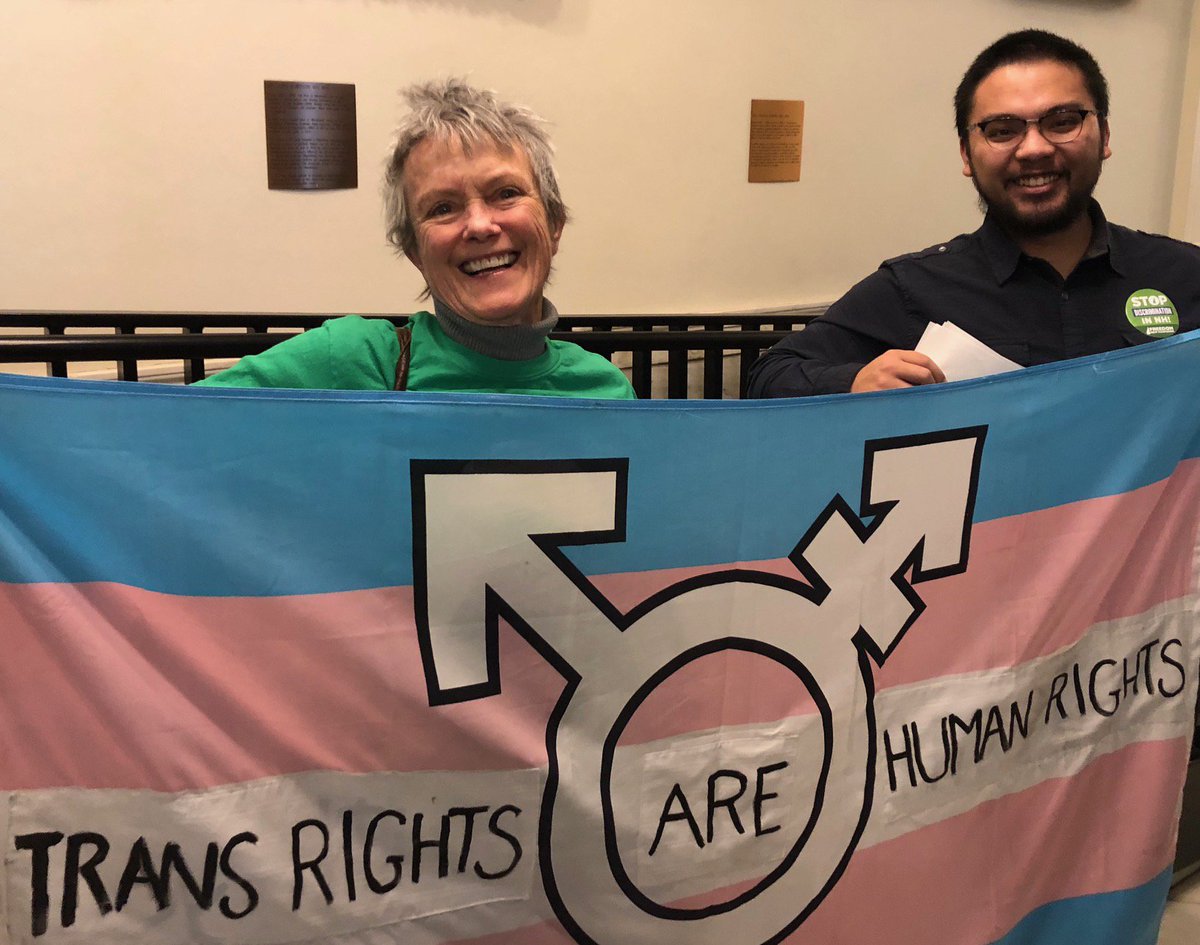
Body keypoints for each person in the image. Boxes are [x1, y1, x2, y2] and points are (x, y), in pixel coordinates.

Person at [747, 29, 1200, 397]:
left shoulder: (1184, 273)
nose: (1035, 148)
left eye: (1062, 121)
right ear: (967, 154)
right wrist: (853, 381)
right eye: (1002, 130)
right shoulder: (914, 287)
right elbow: (770, 375)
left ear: (1103, 135)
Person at [197, 79, 635, 399]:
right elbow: (156, 433)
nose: (480, 225)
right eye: (442, 208)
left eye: (506, 194)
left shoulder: (606, 392)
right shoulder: (351, 359)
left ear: (555, 224)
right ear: (415, 252)